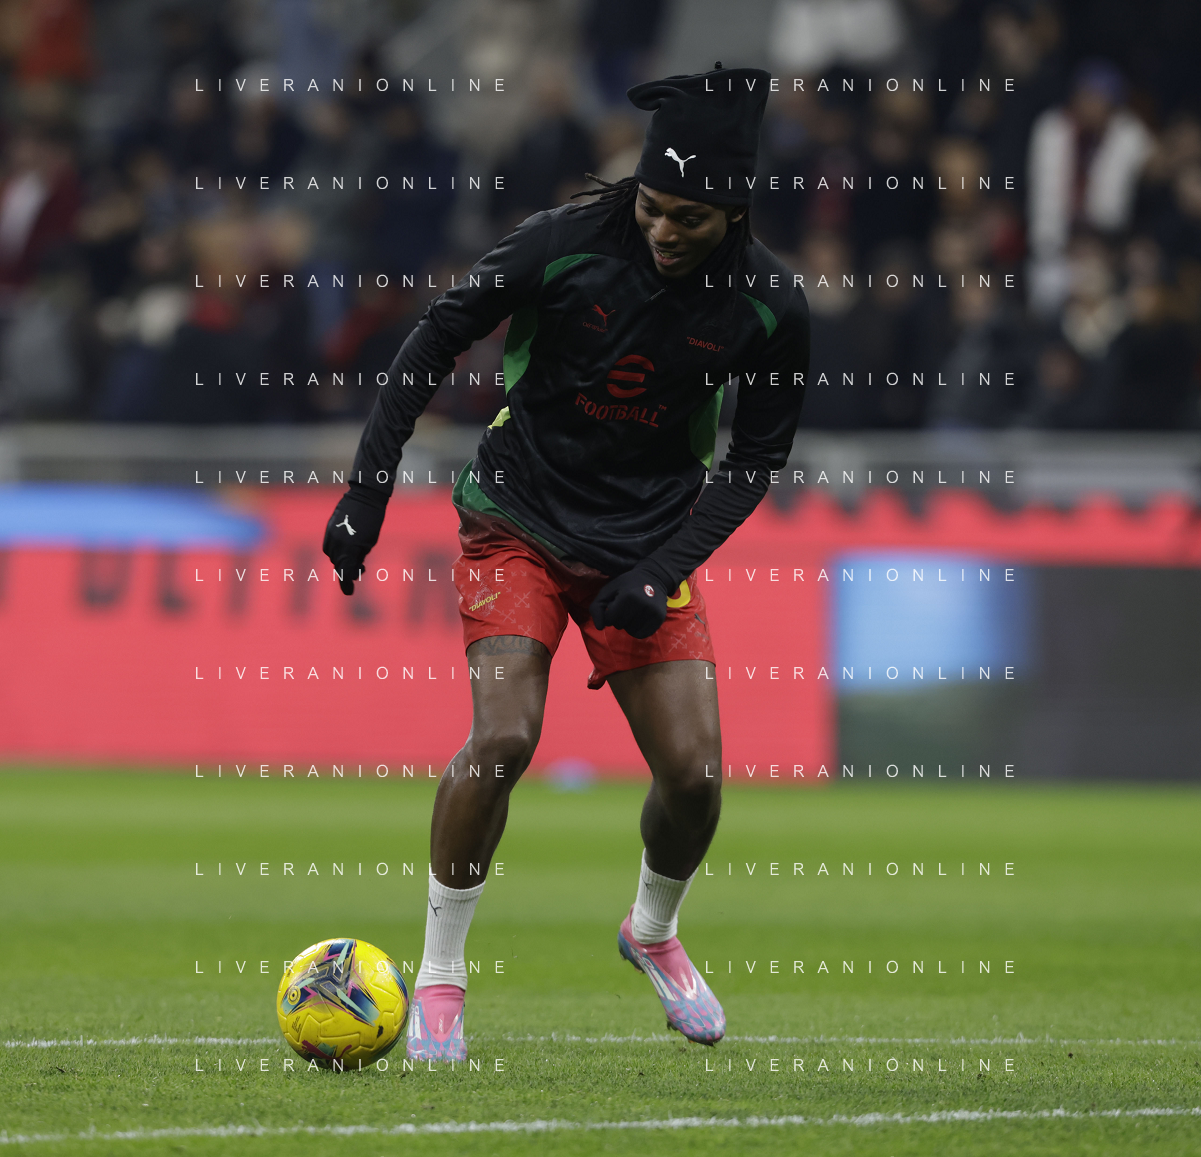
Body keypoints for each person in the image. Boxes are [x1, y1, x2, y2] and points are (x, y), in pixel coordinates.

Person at [322, 64, 809, 1061]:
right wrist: (367, 490)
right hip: (519, 518)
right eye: (651, 206)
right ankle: (441, 977)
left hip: (646, 539)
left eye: (687, 218)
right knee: (504, 736)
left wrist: (661, 566)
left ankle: (652, 931)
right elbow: (434, 339)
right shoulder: (563, 241)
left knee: (695, 776)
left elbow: (754, 461)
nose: (661, 230)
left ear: (733, 212)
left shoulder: (770, 306)